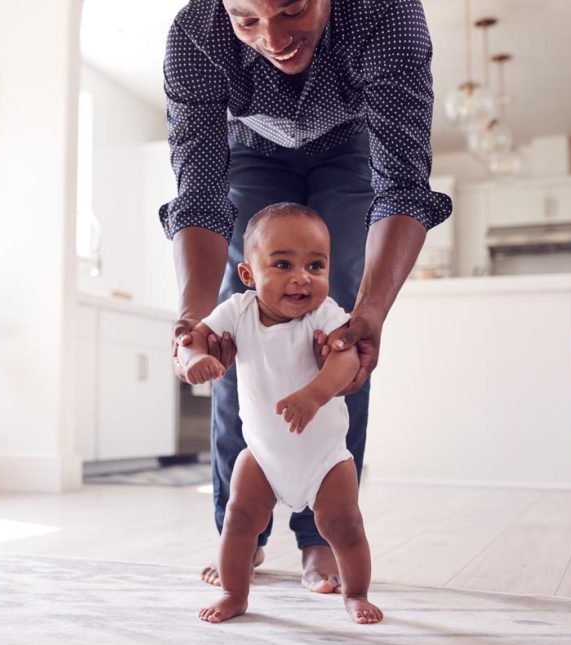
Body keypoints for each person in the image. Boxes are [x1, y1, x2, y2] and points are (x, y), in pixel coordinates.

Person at [159, 0, 452, 592]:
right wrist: (194, 320)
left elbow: (401, 184)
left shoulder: (386, 14)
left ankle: (322, 536)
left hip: (353, 146)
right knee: (237, 326)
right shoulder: (195, 33)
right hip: (250, 150)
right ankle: (241, 527)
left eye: (291, 10)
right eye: (246, 19)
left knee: (338, 328)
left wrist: (371, 313)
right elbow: (200, 194)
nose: (272, 38)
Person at [179, 202, 382, 624]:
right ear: (248, 274)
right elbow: (195, 336)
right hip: (263, 455)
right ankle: (234, 594)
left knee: (344, 525)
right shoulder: (238, 311)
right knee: (239, 519)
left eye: (316, 265)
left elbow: (346, 359)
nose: (302, 277)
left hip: (325, 459)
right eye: (283, 264)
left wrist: (314, 395)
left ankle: (356, 594)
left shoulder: (325, 314)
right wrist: (195, 357)